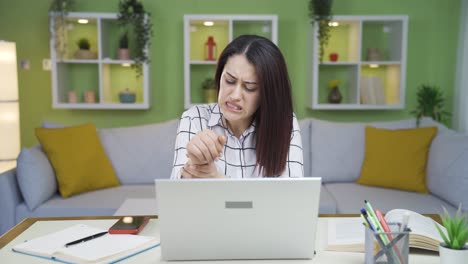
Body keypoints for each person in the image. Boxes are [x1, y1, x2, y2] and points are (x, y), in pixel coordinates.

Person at [170, 34, 303, 179]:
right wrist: (194, 165)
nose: (235, 96)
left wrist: (217, 179)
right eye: (230, 81)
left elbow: (291, 197)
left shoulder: (285, 123)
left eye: (250, 87)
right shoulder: (194, 119)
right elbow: (177, 195)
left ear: (268, 94)